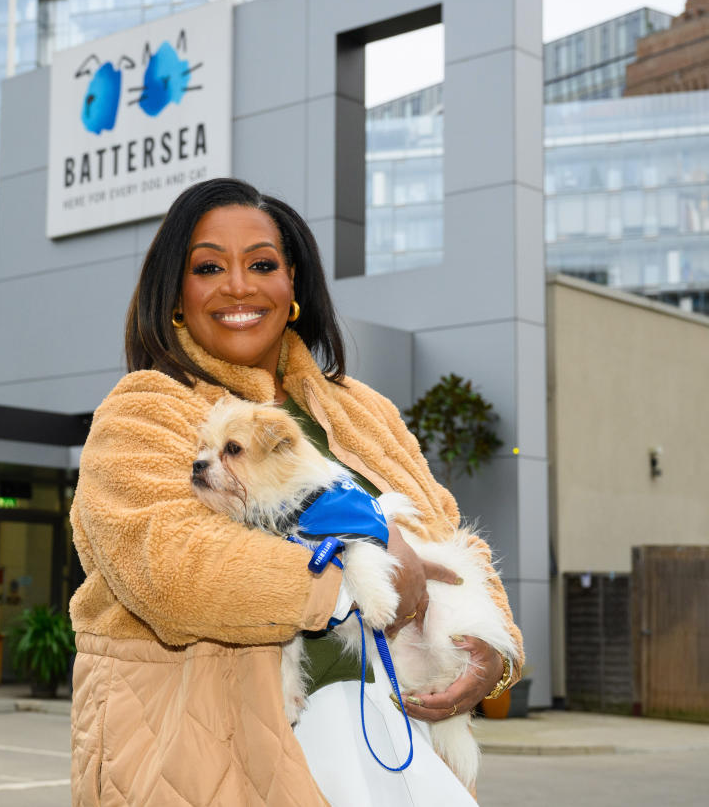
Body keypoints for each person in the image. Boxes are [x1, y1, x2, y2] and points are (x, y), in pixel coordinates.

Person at [68, 178, 523, 805]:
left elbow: (445, 529)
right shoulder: (146, 408)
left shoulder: (365, 410)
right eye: (208, 267)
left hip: (394, 746)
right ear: (176, 293)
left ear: (294, 288)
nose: (238, 286)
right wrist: (360, 563)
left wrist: (492, 654)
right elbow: (165, 565)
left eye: (262, 264)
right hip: (210, 761)